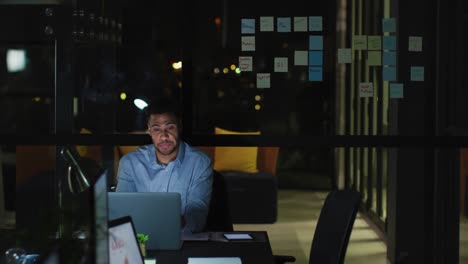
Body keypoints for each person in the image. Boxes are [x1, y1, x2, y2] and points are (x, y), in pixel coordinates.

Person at [116, 97, 213, 233]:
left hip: (183, 240)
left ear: (179, 126)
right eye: (157, 129)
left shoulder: (200, 163)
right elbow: (122, 213)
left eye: (170, 127)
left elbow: (197, 217)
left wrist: (170, 223)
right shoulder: (130, 163)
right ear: (149, 130)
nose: (164, 136)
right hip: (143, 240)